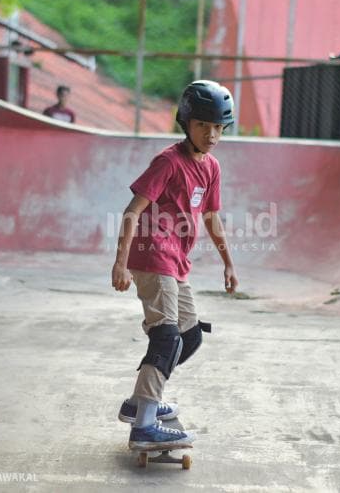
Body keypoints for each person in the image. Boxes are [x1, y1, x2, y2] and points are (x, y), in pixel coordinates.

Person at [111, 80, 239, 450]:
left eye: (219, 128)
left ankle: (139, 403)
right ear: (186, 122)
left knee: (190, 337)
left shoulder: (211, 167)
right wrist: (120, 263)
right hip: (153, 256)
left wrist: (228, 263)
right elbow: (132, 210)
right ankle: (145, 425)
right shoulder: (168, 162)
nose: (212, 135)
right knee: (167, 337)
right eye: (203, 126)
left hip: (176, 261)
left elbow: (212, 216)